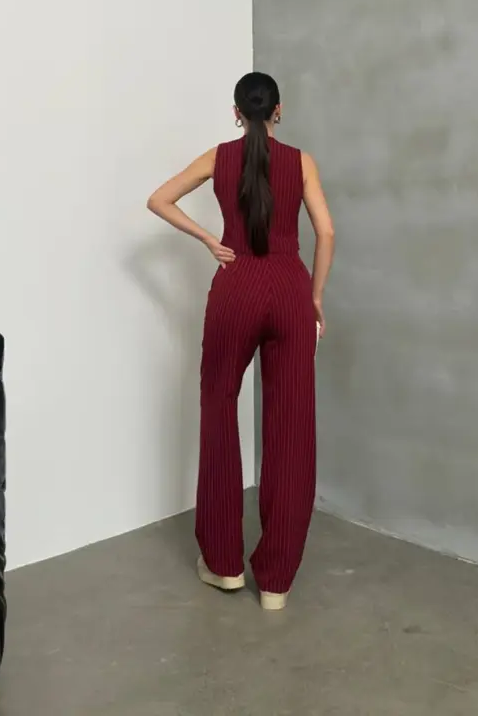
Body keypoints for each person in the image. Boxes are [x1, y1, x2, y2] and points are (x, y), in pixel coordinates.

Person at [147, 72, 335, 609]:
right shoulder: (301, 162)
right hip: (290, 288)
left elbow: (159, 199)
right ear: (279, 110)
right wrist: (314, 298)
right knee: (291, 427)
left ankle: (224, 564)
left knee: (218, 407)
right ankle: (276, 582)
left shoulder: (219, 157)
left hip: (236, 288)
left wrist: (211, 239)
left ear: (236, 112)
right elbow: (326, 232)